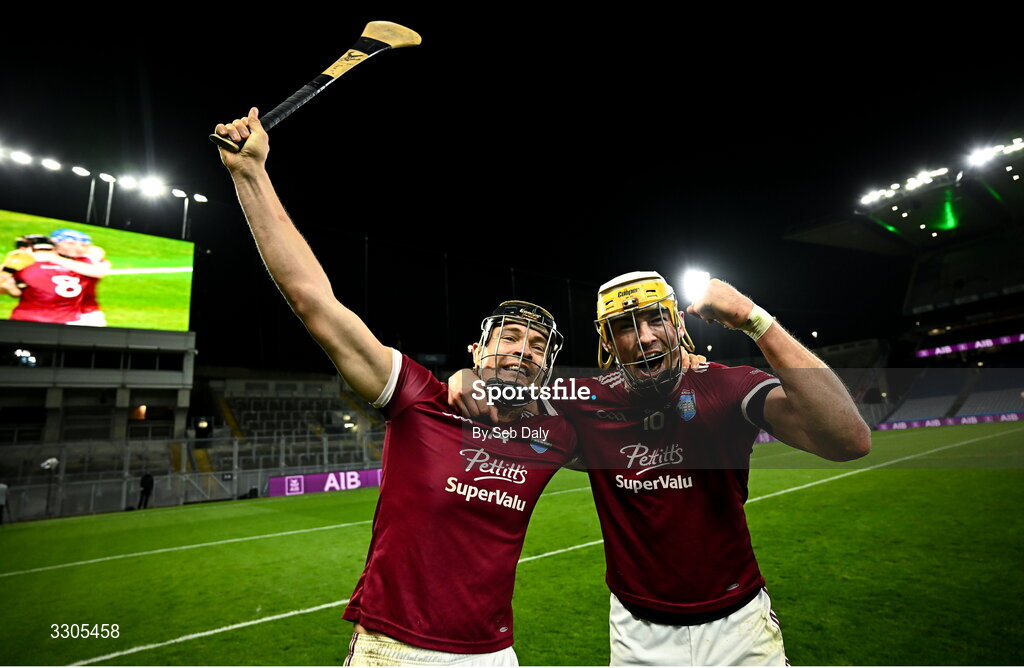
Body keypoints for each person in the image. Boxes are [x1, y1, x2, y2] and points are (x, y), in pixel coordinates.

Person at [213, 108, 577, 666]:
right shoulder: (417, 397)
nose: (522, 352)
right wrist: (251, 176)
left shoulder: (555, 433)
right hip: (395, 650)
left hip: (495, 653)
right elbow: (315, 302)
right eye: (510, 337)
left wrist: (695, 359)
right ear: (477, 351)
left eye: (535, 347)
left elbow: (649, 407)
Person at [450, 271, 871, 666]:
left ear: (678, 325)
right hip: (637, 633)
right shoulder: (584, 399)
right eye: (627, 326)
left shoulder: (725, 386)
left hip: (739, 625)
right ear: (608, 342)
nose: (646, 338)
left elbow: (849, 440)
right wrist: (466, 377)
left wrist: (753, 320)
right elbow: (500, 401)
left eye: (655, 320)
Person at [0, 233, 108, 325]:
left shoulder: (25, 267)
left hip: (26, 317)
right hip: (68, 320)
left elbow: (11, 289)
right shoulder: (81, 265)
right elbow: (97, 259)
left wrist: (7, 268)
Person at [50, 229, 110, 327]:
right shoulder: (42, 259)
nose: (77, 248)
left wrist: (53, 258)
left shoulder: (92, 260)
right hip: (49, 314)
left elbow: (98, 271)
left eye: (83, 245)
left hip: (86, 315)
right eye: (70, 243)